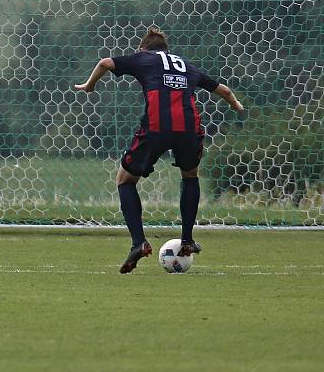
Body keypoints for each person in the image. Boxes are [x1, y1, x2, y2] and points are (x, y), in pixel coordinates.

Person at [75, 26, 244, 273]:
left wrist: (90, 85)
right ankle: (187, 240)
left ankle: (138, 243)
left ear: (143, 48)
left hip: (156, 127)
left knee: (125, 180)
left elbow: (104, 63)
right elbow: (225, 91)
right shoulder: (186, 65)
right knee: (190, 175)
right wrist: (237, 106)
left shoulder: (143, 59)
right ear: (167, 49)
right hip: (189, 128)